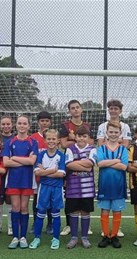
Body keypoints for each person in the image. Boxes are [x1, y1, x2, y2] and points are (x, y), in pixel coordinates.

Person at [2, 115, 38, 249]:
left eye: (24, 123)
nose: (22, 126)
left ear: (28, 126)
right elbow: (6, 162)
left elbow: (32, 162)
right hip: (13, 180)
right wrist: (24, 161)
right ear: (16, 125)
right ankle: (15, 237)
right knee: (15, 207)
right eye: (19, 123)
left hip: (27, 179)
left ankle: (23, 237)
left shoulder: (32, 142)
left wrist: (15, 158)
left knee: (24, 207)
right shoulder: (9, 143)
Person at [97, 99, 131, 237]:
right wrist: (115, 160)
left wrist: (109, 161)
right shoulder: (102, 148)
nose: (113, 134)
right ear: (107, 132)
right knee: (104, 210)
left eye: (116, 132)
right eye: (110, 132)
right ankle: (106, 235)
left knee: (117, 210)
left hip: (118, 184)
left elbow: (124, 166)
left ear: (119, 133)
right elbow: (100, 164)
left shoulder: (123, 149)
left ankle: (114, 235)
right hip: (105, 184)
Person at [59, 99, 93, 236]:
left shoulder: (87, 125)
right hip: (70, 161)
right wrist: (76, 139)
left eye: (77, 107)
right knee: (70, 193)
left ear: (81, 109)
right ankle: (68, 225)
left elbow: (91, 142)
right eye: (72, 108)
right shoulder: (65, 126)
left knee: (85, 194)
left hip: (84, 159)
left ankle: (87, 226)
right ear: (69, 111)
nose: (75, 110)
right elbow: (63, 144)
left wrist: (74, 138)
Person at [29, 129, 66, 250]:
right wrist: (51, 171)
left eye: (53, 139)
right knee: (40, 213)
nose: (51, 141)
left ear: (58, 141)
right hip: (44, 188)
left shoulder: (61, 156)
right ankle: (37, 238)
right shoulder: (41, 155)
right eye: (49, 139)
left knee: (55, 213)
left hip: (56, 188)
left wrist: (44, 171)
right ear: (45, 140)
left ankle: (55, 239)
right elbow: (37, 172)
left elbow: (61, 174)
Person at [64, 126, 96, 249]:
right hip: (73, 188)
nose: (81, 138)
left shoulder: (92, 149)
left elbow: (91, 163)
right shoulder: (70, 148)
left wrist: (76, 163)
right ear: (75, 137)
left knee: (85, 212)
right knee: (73, 211)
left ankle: (84, 237)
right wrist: (85, 166)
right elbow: (68, 164)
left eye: (84, 136)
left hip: (87, 189)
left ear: (88, 138)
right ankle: (73, 237)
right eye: (79, 136)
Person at [30, 111, 53, 235]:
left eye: (47, 121)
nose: (44, 123)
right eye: (42, 121)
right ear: (38, 122)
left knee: (49, 199)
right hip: (37, 173)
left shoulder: (53, 135)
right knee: (37, 199)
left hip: (51, 174)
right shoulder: (33, 137)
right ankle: (36, 222)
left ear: (50, 122)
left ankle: (50, 223)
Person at [0, 114, 15, 236]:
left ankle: (10, 226)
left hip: (11, 173)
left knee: (10, 200)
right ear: (0, 125)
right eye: (3, 124)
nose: (6, 126)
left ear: (12, 125)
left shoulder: (15, 139)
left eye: (8, 124)